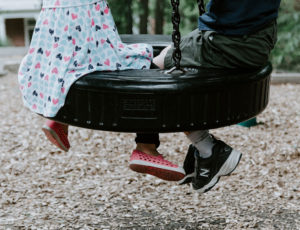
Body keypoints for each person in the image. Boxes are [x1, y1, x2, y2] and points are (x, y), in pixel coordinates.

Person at [17, 0, 185, 181]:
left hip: (55, 17)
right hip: (85, 17)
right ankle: (146, 147)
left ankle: (58, 114)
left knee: (65, 61)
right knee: (136, 62)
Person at [133, 0, 281, 193]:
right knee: (173, 61)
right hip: (257, 34)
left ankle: (151, 146)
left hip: (231, 40)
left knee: (157, 67)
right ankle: (204, 150)